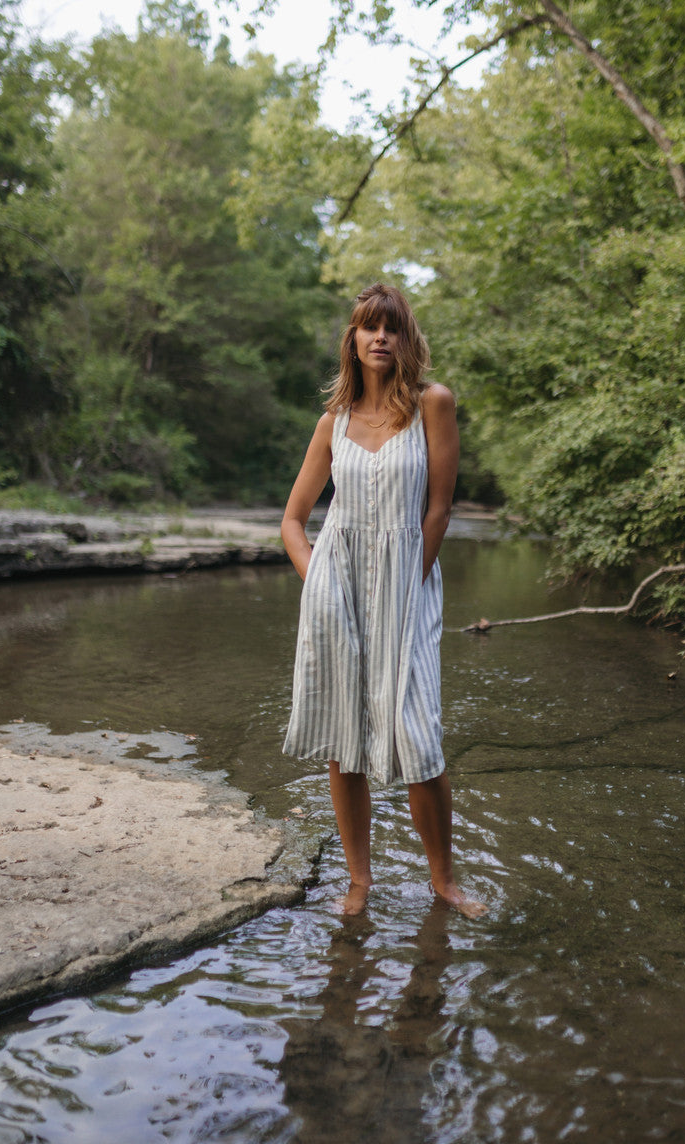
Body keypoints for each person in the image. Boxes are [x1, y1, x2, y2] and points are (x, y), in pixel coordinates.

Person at [281, 282, 486, 918]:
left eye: (390, 328)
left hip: (409, 590)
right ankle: (360, 881)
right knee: (347, 739)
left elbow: (439, 509)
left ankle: (444, 881)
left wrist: (411, 585)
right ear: (352, 339)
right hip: (336, 589)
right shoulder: (332, 423)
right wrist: (317, 580)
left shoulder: (434, 405)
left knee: (419, 737)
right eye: (368, 327)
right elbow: (292, 521)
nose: (379, 338)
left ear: (406, 340)